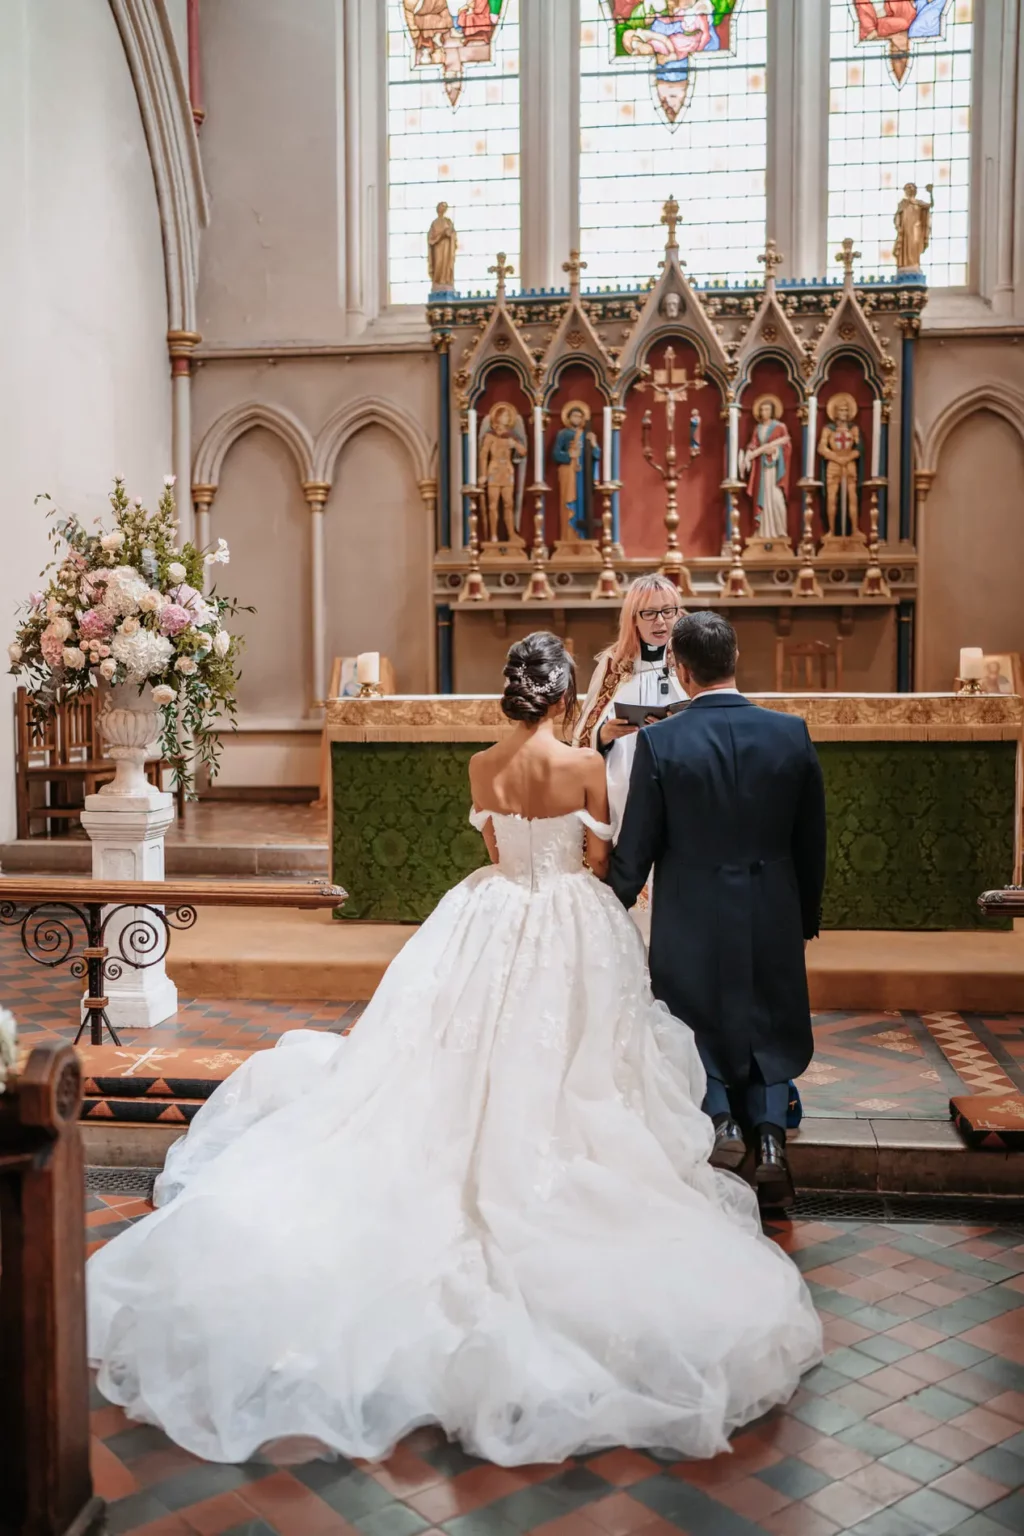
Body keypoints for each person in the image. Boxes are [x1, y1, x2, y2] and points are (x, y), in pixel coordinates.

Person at [87, 632, 821, 1469]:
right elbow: (598, 859)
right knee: (580, 1062)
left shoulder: (481, 767)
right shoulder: (584, 766)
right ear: (561, 694)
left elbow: (494, 852)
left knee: (449, 1050)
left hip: (489, 914)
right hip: (571, 921)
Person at [609, 612, 827, 1210]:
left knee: (696, 1012)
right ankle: (771, 1137)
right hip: (772, 900)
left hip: (691, 906)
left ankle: (721, 1121)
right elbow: (811, 838)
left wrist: (612, 900)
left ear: (681, 670)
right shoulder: (791, 733)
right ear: (735, 660)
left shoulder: (660, 739)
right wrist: (804, 910)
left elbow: (639, 843)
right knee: (770, 1013)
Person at [574, 572, 687, 840]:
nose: (660, 621)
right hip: (625, 775)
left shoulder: (690, 658)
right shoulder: (615, 664)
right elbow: (583, 732)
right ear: (633, 619)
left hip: (681, 771)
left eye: (667, 611)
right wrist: (603, 735)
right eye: (649, 613)